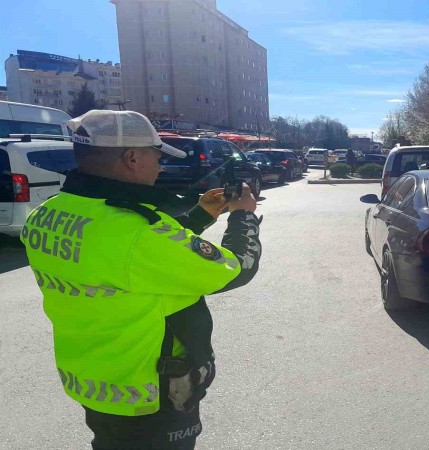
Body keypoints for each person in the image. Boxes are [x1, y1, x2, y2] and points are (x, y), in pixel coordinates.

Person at [20, 110, 263, 449]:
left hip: (93, 381)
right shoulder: (139, 233)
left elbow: (124, 262)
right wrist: (243, 216)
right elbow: (237, 267)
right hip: (148, 393)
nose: (160, 166)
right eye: (157, 156)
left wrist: (199, 216)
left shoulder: (48, 213)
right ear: (132, 157)